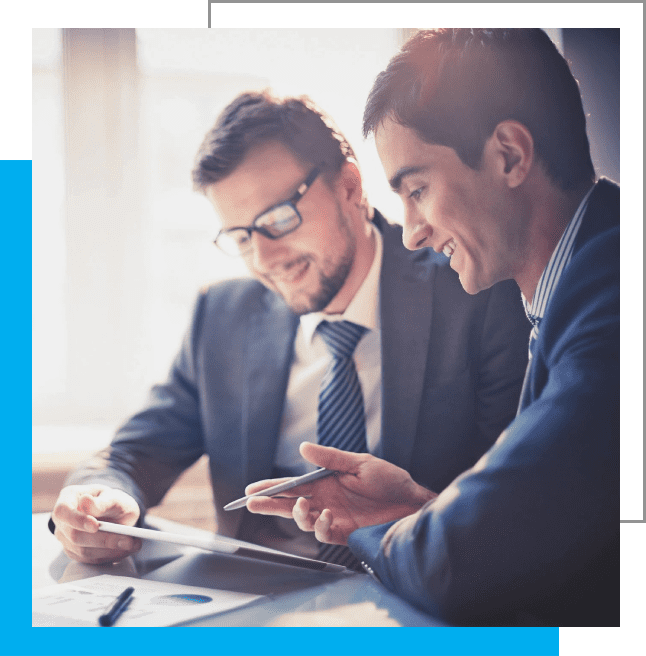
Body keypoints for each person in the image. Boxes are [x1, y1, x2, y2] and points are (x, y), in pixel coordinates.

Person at [49, 90, 529, 570]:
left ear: (349, 187)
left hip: (410, 596)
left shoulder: (473, 290)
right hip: (256, 607)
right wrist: (96, 497)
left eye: (278, 219)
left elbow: (510, 505)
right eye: (241, 236)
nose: (264, 259)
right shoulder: (222, 315)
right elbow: (135, 452)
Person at [246, 30, 620, 626]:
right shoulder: (581, 283)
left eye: (417, 190)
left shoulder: (613, 298)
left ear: (510, 156)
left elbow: (459, 563)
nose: (412, 232)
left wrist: (383, 528)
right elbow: (553, 532)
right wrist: (420, 507)